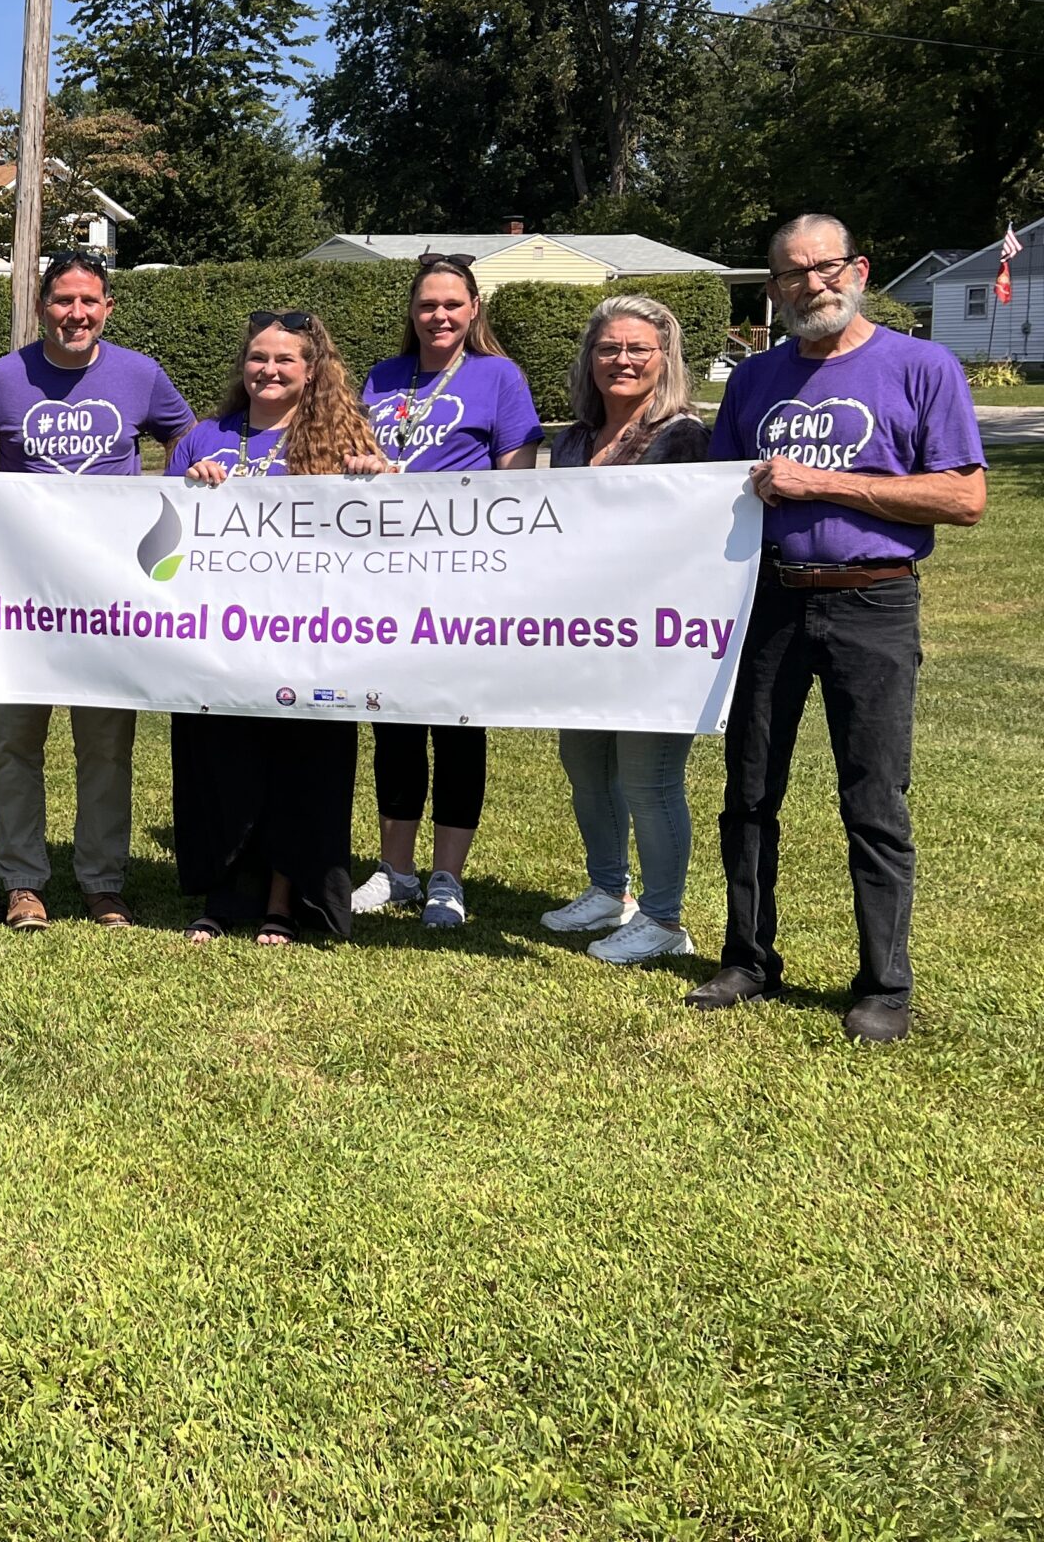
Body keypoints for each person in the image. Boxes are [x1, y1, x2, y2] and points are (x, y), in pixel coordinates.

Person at [694, 214, 986, 1044]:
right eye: (790, 274)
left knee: (874, 796)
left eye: (823, 268)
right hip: (771, 602)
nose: (809, 285)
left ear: (858, 268)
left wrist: (825, 483)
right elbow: (720, 489)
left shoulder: (921, 365)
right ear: (775, 286)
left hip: (875, 601)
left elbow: (963, 499)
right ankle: (748, 959)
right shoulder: (755, 378)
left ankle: (883, 985)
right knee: (749, 792)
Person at [0, 253, 195, 931]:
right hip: (24, 596)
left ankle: (102, 880)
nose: (76, 313)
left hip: (109, 594)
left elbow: (186, 433)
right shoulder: (3, 379)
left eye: (89, 301)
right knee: (16, 741)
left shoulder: (139, 374)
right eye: (62, 300)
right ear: (42, 307)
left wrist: (180, 482)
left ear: (107, 307)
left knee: (107, 743)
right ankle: (23, 882)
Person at [169, 312, 385, 945]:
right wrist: (193, 486)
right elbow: (164, 531)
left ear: (311, 370)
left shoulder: (343, 440)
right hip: (218, 637)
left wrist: (378, 481)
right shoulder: (203, 437)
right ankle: (221, 894)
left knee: (300, 770)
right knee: (219, 767)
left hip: (309, 641)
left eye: (284, 360)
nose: (268, 369)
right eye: (258, 358)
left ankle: (284, 903)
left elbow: (384, 528)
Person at [345, 255, 545, 930]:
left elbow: (515, 482)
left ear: (474, 308)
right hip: (386, 581)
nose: (439, 316)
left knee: (458, 730)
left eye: (452, 305)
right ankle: (396, 870)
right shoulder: (382, 376)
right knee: (393, 723)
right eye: (428, 304)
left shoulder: (499, 377)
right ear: (412, 310)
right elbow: (351, 458)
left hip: (463, 584)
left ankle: (447, 880)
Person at [542, 296, 711, 966]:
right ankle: (610, 891)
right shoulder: (574, 440)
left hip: (656, 636)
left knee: (649, 778)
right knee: (586, 766)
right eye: (609, 347)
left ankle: (665, 919)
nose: (622, 360)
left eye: (638, 348)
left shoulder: (684, 436)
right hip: (581, 633)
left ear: (663, 357)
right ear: (590, 357)